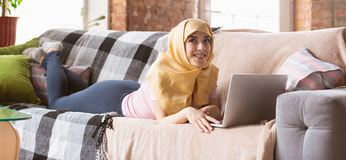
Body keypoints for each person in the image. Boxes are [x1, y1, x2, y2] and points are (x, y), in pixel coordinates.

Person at [23, 19, 221, 133]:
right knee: (57, 103)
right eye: (193, 41)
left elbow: (215, 110)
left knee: (83, 93)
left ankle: (51, 63)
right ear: (179, 44)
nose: (202, 48)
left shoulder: (207, 73)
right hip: (114, 100)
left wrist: (208, 111)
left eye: (206, 41)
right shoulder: (161, 72)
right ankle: (51, 55)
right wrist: (188, 112)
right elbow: (162, 121)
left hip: (135, 91)